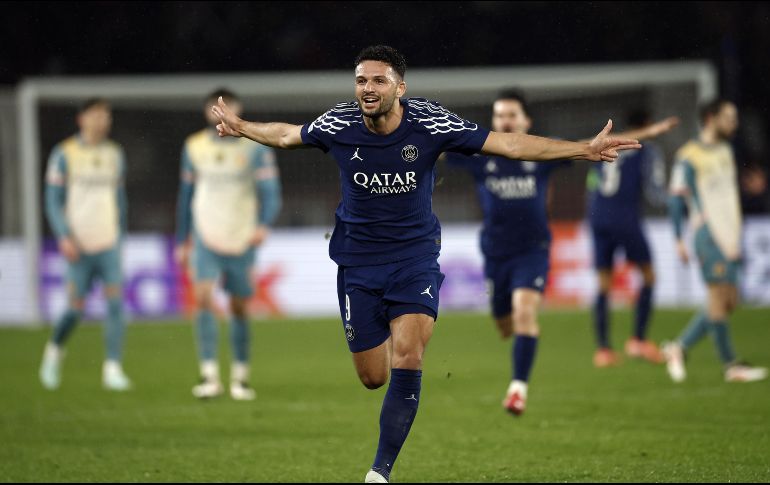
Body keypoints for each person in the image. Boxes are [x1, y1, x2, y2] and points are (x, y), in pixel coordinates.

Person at [210, 45, 640, 483]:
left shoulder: (431, 122)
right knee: (373, 377)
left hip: (414, 259)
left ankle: (379, 472)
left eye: (378, 80)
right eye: (361, 80)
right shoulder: (338, 123)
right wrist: (242, 126)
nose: (368, 88)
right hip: (357, 264)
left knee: (409, 356)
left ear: (400, 86)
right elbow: (285, 135)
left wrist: (583, 149)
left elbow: (507, 143)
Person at [445, 92, 676, 416]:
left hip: (533, 251)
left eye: (512, 115)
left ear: (526, 121)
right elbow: (436, 150)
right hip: (495, 254)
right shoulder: (481, 154)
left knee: (525, 313)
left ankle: (517, 390)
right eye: (500, 116)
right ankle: (527, 342)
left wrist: (648, 134)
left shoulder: (541, 153)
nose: (506, 121)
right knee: (504, 326)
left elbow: (586, 145)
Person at [175, 88, 282, 401]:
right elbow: (185, 197)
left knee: (238, 306)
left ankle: (240, 376)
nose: (221, 111)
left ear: (237, 109)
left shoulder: (255, 147)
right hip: (205, 235)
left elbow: (271, 192)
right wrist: (182, 239)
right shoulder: (193, 147)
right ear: (207, 110)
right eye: (216, 106)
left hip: (241, 236)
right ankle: (209, 375)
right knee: (204, 297)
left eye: (228, 106)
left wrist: (263, 224)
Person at [663, 99, 767, 383]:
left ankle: (678, 347)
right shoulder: (689, 155)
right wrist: (677, 239)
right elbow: (676, 199)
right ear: (711, 118)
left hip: (730, 234)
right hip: (708, 235)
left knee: (729, 300)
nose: (734, 123)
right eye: (728, 118)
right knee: (719, 299)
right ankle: (731, 366)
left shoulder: (725, 150)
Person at [39, 98, 131, 391]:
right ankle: (54, 350)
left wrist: (121, 234)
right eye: (96, 115)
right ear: (82, 119)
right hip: (78, 242)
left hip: (108, 241)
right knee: (75, 308)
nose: (102, 121)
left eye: (106, 116)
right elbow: (52, 200)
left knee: (115, 304)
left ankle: (112, 368)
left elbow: (120, 200)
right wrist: (63, 235)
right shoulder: (64, 153)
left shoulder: (115, 154)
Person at [586, 109, 678, 367]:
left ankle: (603, 350)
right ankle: (637, 340)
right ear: (648, 125)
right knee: (649, 276)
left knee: (603, 284)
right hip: (625, 218)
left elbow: (592, 183)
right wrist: (678, 198)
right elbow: (654, 192)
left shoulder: (605, 146)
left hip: (598, 218)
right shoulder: (646, 149)